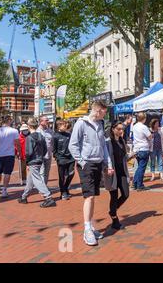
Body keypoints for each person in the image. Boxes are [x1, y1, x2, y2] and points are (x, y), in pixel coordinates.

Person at [68, 100, 114, 246]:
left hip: (98, 163)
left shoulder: (100, 125)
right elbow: (73, 145)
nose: (105, 116)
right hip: (86, 164)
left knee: (92, 197)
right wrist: (82, 161)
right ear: (98, 111)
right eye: (104, 113)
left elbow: (103, 146)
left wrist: (108, 163)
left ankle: (90, 225)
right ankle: (87, 228)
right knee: (89, 197)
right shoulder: (81, 123)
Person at [17, 118, 56, 207]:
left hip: (32, 161)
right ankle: (24, 197)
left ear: (29, 126)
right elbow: (45, 148)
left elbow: (28, 152)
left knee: (37, 179)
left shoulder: (29, 137)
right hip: (39, 160)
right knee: (30, 180)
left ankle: (48, 197)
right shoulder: (41, 136)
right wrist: (41, 156)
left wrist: (27, 161)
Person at [104, 121, 130, 230]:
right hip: (112, 173)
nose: (121, 131)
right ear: (113, 129)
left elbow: (124, 156)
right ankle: (115, 219)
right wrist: (106, 168)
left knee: (125, 194)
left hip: (122, 171)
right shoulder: (108, 142)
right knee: (114, 196)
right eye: (119, 129)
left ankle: (112, 210)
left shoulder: (122, 141)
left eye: (122, 129)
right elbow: (105, 157)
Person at [0, 115, 21, 198]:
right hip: (9, 155)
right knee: (7, 173)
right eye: (11, 120)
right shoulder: (14, 131)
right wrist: (19, 152)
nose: (11, 121)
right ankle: (4, 189)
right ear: (8, 121)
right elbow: (17, 143)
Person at [53, 120, 75, 200]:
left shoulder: (69, 135)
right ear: (59, 126)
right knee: (61, 177)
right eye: (64, 125)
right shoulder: (55, 136)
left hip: (71, 158)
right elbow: (54, 150)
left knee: (71, 173)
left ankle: (65, 188)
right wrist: (57, 158)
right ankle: (63, 192)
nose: (66, 126)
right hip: (61, 159)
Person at [132, 112, 152, 191]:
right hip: (143, 148)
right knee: (141, 168)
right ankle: (139, 185)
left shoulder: (135, 126)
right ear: (144, 118)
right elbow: (150, 137)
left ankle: (135, 183)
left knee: (139, 167)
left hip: (137, 148)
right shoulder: (144, 127)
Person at [37, 116, 54, 185]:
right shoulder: (37, 131)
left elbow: (52, 142)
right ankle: (42, 188)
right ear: (41, 122)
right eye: (46, 120)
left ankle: (45, 186)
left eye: (48, 120)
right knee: (42, 172)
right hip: (40, 155)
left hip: (49, 154)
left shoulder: (50, 131)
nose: (48, 121)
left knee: (47, 172)